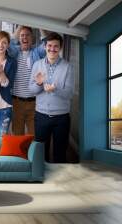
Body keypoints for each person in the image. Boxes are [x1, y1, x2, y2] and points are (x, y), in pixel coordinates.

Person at [29, 32, 74, 163]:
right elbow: (32, 90)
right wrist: (38, 83)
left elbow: (69, 93)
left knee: (60, 153)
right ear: (45, 46)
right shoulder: (37, 65)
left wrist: (55, 90)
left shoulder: (68, 67)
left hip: (62, 118)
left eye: (56, 46)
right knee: (41, 153)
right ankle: (43, 180)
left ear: (60, 48)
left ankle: (58, 182)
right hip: (41, 115)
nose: (52, 49)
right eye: (49, 45)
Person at [8, 26, 47, 135]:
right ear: (19, 38)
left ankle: (32, 153)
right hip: (17, 102)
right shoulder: (14, 52)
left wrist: (40, 25)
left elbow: (47, 43)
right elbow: (10, 42)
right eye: (22, 35)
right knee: (17, 136)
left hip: (34, 102)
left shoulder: (36, 52)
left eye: (27, 35)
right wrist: (20, 25)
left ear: (32, 38)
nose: (25, 37)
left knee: (34, 135)